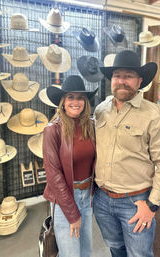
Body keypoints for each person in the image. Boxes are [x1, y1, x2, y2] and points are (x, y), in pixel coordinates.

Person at [93, 50, 160, 257]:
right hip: (102, 199)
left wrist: (152, 204)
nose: (122, 81)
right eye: (117, 75)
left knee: (139, 254)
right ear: (111, 80)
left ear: (139, 81)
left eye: (128, 76)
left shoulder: (155, 116)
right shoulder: (101, 110)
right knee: (115, 248)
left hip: (135, 202)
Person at [43, 75, 97, 257]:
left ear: (85, 101)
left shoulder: (91, 126)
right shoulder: (53, 130)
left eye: (80, 97)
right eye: (70, 97)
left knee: (86, 251)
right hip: (65, 197)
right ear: (63, 101)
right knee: (70, 253)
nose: (76, 101)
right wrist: (72, 214)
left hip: (87, 196)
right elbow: (54, 175)